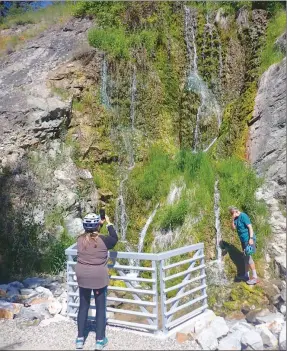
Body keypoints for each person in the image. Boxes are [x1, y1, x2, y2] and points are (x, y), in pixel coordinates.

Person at [75, 213, 118, 350]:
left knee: (83, 307)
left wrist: (99, 223)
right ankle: (100, 340)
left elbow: (91, 234)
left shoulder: (79, 240)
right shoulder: (104, 240)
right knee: (100, 309)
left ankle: (80, 339)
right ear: (96, 226)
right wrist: (109, 223)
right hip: (98, 277)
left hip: (82, 276)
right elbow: (114, 238)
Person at [228, 206, 259, 285]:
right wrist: (232, 219)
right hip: (243, 241)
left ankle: (255, 277)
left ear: (235, 211)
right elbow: (233, 228)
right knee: (245, 258)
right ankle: (246, 276)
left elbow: (250, 227)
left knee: (248, 258)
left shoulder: (243, 216)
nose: (231, 214)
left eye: (232, 213)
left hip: (248, 240)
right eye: (231, 214)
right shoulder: (235, 219)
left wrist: (251, 238)